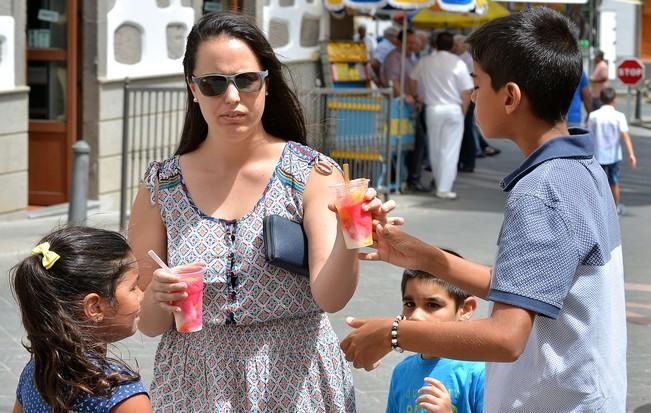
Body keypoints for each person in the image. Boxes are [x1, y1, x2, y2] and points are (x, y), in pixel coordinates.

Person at [342, 7, 627, 412]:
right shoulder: (583, 169)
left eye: (477, 84)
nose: (473, 96)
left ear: (509, 96)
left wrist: (393, 334)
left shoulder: (541, 191)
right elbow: (531, 285)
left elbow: (505, 338)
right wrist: (428, 257)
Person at [127, 11, 394, 412]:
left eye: (246, 80)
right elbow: (148, 325)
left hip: (295, 378)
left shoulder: (312, 173)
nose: (232, 98)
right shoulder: (160, 185)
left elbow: (331, 296)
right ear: (192, 89)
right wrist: (157, 298)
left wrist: (352, 236)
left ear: (266, 84)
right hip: (196, 384)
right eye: (213, 84)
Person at [10, 226, 150, 413]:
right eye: (133, 288)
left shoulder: (36, 371)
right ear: (94, 307)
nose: (141, 295)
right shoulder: (120, 394)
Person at [386, 260, 484, 413]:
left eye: (432, 305)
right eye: (410, 304)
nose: (416, 316)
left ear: (465, 309)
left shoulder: (479, 373)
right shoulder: (401, 371)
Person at [409, 31, 474, 199]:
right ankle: (444, 187)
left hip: (433, 108)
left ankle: (439, 182)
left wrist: (416, 96)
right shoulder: (458, 63)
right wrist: (464, 111)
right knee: (450, 149)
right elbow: (467, 90)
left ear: (435, 44)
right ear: (452, 46)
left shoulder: (425, 60)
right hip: (453, 108)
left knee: (435, 148)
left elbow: (412, 78)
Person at [587, 86, 637, 212]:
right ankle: (614, 209)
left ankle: (599, 208)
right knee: (614, 182)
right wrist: (631, 154)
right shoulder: (619, 116)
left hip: (598, 155)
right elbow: (625, 136)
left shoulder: (593, 116)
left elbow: (589, 136)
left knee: (598, 183)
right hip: (614, 156)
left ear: (600, 99)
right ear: (614, 99)